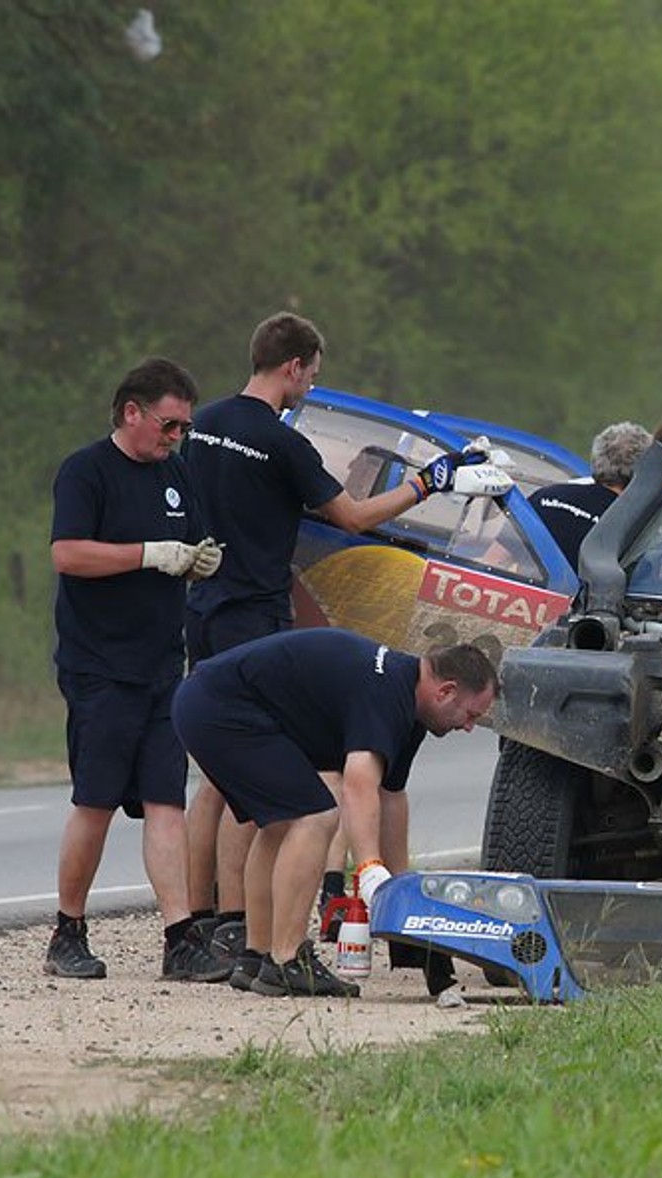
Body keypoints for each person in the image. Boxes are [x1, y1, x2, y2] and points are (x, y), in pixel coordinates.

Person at [181, 312, 492, 987]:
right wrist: (428, 483)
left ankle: (207, 925)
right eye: (312, 377)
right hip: (254, 609)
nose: (310, 389)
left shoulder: (203, 424)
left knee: (218, 780)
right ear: (293, 367)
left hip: (201, 603)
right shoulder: (281, 441)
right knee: (281, 801)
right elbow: (350, 517)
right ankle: (255, 936)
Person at [172, 630, 498, 997]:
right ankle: (287, 960)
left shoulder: (410, 704)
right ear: (446, 691)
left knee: (282, 826)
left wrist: (402, 897)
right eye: (471, 715)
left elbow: (390, 798)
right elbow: (358, 785)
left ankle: (256, 957)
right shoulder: (387, 691)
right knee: (316, 816)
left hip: (210, 702)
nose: (469, 727)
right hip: (218, 706)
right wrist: (369, 868)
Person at [45, 357, 228, 981]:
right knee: (95, 800)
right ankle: (67, 932)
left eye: (184, 428)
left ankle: (179, 937)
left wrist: (199, 560)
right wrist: (148, 554)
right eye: (168, 425)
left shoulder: (176, 473)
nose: (176, 437)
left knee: (166, 802)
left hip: (162, 665)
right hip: (100, 666)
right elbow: (68, 554)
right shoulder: (86, 471)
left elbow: (191, 543)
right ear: (132, 413)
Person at [528, 421, 653, 569]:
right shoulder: (633, 529)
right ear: (644, 471)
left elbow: (504, 551)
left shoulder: (545, 496)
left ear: (597, 457)